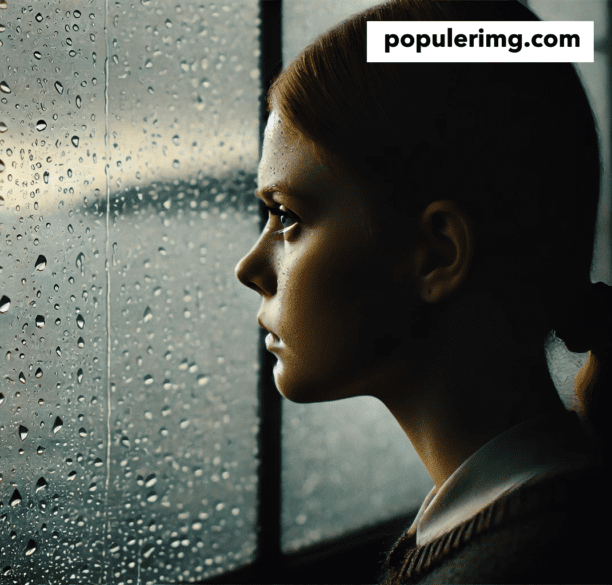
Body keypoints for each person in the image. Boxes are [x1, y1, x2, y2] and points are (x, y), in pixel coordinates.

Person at [234, 0, 610, 583]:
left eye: (287, 216)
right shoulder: (553, 512)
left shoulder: (519, 564)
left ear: (437, 254)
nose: (250, 266)